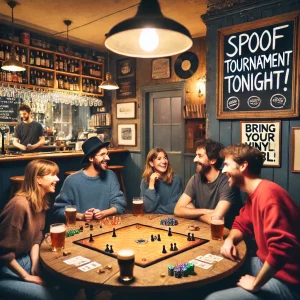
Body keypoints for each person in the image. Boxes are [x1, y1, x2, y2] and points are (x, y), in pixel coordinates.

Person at [204, 144, 300, 300]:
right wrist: (229, 240)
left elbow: (282, 249)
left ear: (243, 166)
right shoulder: (254, 194)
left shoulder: (269, 195)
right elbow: (241, 224)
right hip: (265, 263)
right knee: (217, 266)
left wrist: (256, 283)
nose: (223, 170)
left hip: (289, 281)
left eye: (227, 164)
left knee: (213, 299)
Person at [0, 159, 60, 299]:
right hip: (4, 267)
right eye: (52, 175)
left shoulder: (40, 202)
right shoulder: (18, 205)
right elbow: (4, 254)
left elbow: (36, 239)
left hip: (24, 258)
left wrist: (35, 264)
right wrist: (27, 277)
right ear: (38, 179)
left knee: (63, 279)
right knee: (45, 296)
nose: (57, 179)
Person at [53, 137, 126, 222]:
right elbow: (59, 211)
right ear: (91, 158)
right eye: (102, 154)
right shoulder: (72, 181)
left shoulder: (110, 176)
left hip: (106, 227)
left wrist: (103, 213)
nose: (108, 158)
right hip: (81, 231)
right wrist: (81, 216)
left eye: (107, 154)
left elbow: (120, 204)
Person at [174, 138, 242, 228]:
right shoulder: (196, 179)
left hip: (227, 235)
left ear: (213, 160)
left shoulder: (227, 181)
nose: (194, 159)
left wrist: (192, 213)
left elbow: (215, 219)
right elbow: (177, 210)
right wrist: (205, 211)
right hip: (203, 231)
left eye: (200, 156)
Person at [141, 147, 183, 214]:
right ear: (151, 163)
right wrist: (151, 185)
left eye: (165, 158)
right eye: (159, 159)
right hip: (151, 220)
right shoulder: (145, 181)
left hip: (170, 220)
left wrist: (154, 211)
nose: (164, 161)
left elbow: (174, 207)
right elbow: (148, 208)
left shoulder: (176, 179)